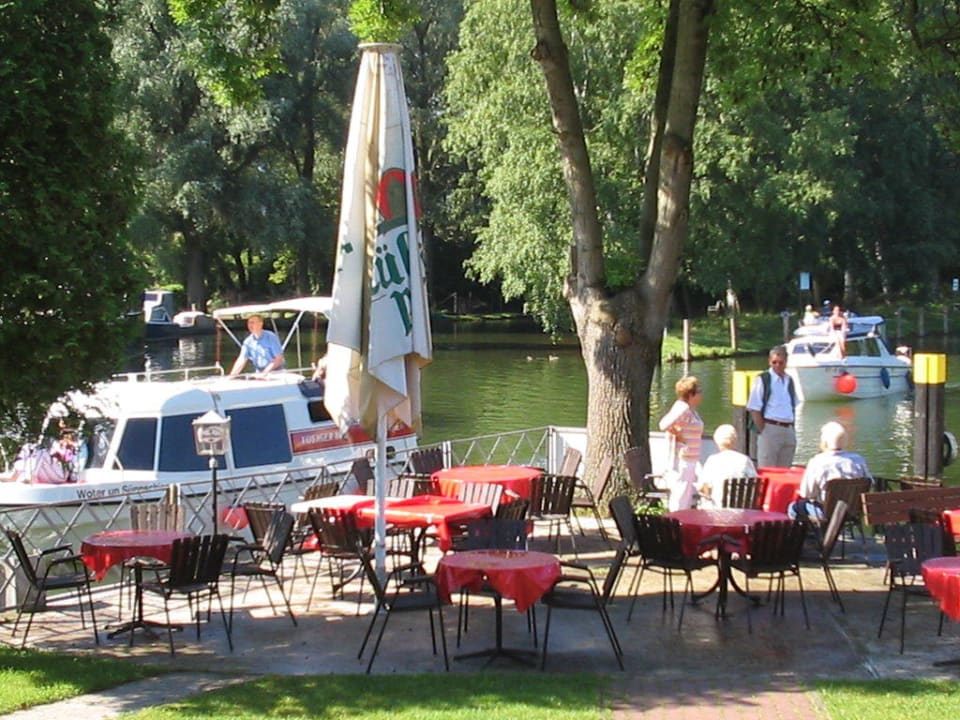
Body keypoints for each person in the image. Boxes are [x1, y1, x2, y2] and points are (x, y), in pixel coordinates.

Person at [788, 421, 871, 522]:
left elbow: (807, 494)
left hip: (825, 512)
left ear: (824, 442)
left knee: (793, 508)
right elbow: (869, 482)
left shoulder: (818, 462)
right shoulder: (858, 460)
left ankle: (816, 535)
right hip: (852, 511)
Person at [746, 345, 798, 468]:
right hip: (770, 427)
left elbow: (793, 405)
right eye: (774, 362)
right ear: (769, 362)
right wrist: (764, 430)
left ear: (786, 362)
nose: (777, 365)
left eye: (781, 362)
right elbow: (754, 408)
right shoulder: (762, 379)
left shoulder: (789, 380)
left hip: (788, 429)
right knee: (767, 471)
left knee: (785, 472)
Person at [658, 375, 704, 511]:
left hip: (691, 458)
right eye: (699, 391)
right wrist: (678, 435)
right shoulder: (682, 407)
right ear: (691, 394)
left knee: (687, 495)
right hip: (683, 459)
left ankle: (681, 522)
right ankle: (676, 523)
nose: (701, 394)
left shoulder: (691, 410)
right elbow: (663, 424)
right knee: (681, 495)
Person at [697, 424, 757, 509]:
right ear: (735, 440)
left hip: (717, 511)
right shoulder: (745, 460)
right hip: (742, 511)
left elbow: (703, 487)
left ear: (717, 442)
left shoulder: (712, 460)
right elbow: (754, 483)